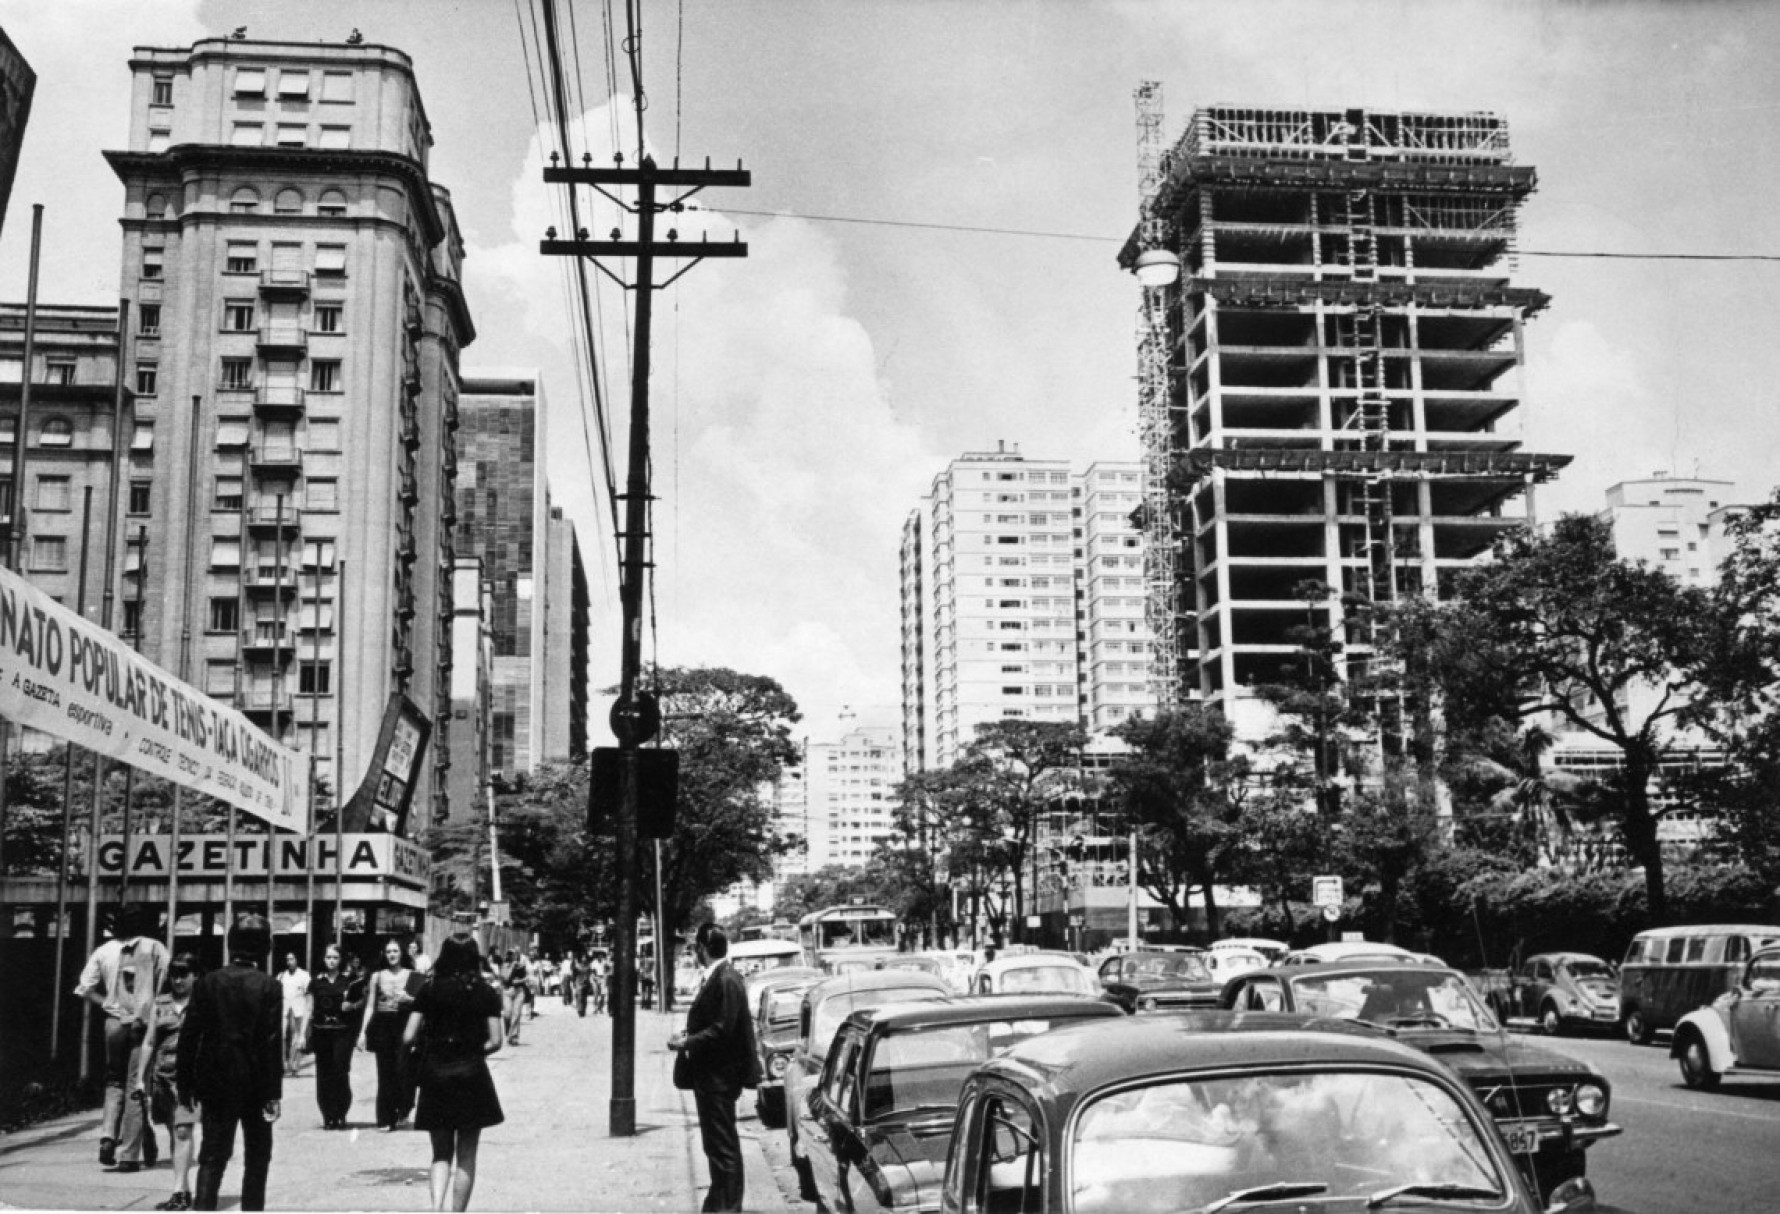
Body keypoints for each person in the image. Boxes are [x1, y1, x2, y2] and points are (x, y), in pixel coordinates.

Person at [177, 914, 282, 1212]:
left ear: (231, 943)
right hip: (255, 1083)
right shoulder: (269, 986)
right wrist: (273, 1093)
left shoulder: (208, 982)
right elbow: (271, 1044)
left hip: (214, 1081)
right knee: (258, 1157)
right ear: (265, 948)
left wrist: (184, 1084)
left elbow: (190, 1036)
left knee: (212, 1156)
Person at [404, 934, 505, 1211]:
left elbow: (408, 1035)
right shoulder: (485, 991)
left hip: (435, 1073)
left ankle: (436, 1208)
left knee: (440, 1152)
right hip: (472, 1074)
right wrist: (471, 1051)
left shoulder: (428, 988)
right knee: (467, 1154)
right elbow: (496, 1040)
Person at [667, 924, 760, 1213]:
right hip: (711, 1076)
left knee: (723, 1147)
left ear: (702, 950)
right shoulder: (719, 977)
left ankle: (729, 1206)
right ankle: (718, 1202)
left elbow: (723, 1029)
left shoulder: (726, 979)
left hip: (720, 1077)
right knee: (716, 1146)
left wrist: (687, 1043)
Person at [75, 903, 169, 1172]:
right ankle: (129, 1154)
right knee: (136, 1085)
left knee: (113, 1080)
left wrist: (107, 1004)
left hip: (113, 1022)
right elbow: (165, 981)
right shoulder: (153, 947)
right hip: (143, 1022)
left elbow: (84, 988)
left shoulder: (104, 950)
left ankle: (107, 1135)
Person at [137, 952, 203, 1211]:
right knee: (174, 1133)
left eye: (183, 974)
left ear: (195, 975)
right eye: (174, 975)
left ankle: (179, 1193)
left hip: (190, 1080)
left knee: (183, 1131)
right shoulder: (160, 1004)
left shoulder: (203, 1003)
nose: (178, 980)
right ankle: (184, 1187)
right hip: (163, 1078)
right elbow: (150, 1042)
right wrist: (140, 1079)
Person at [359, 937, 421, 1131]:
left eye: (395, 951)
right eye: (388, 952)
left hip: (405, 1023)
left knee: (403, 1070)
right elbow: (370, 1006)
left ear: (402, 953)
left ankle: (402, 1108)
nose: (392, 955)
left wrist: (409, 999)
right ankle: (385, 1118)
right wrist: (362, 1032)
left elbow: (422, 1005)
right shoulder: (377, 976)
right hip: (383, 1025)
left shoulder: (413, 975)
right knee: (385, 1072)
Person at [309, 943, 366, 1129]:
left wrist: (353, 1006)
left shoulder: (349, 981)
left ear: (340, 960)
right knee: (323, 1074)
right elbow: (309, 1007)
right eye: (328, 957)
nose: (331, 961)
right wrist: (302, 1034)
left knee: (340, 1072)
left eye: (335, 957)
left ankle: (340, 1112)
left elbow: (363, 1001)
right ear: (323, 959)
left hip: (343, 1032)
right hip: (321, 1031)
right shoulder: (316, 982)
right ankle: (327, 1115)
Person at [276, 952, 312, 1077]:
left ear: (297, 960)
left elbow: (308, 994)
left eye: (291, 959)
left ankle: (294, 1064)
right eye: (287, 959)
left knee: (298, 1037)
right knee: (282, 1036)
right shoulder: (282, 976)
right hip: (284, 1010)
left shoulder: (304, 975)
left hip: (299, 1010)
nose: (289, 962)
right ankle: (281, 1065)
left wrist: (309, 1010)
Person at [499, 950, 529, 1045]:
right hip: (507, 991)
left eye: (514, 955)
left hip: (519, 991)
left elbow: (527, 977)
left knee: (516, 1014)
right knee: (507, 1014)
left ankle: (513, 1036)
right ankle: (509, 1032)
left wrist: (521, 980)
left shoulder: (521, 966)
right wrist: (512, 967)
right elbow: (506, 978)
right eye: (510, 955)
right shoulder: (504, 966)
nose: (512, 957)